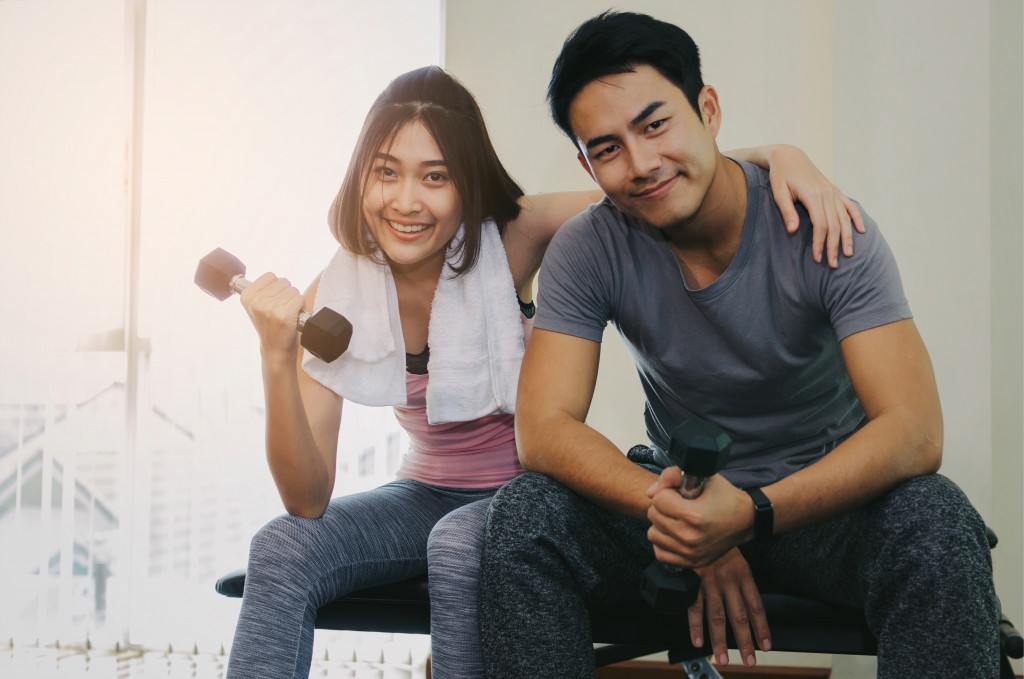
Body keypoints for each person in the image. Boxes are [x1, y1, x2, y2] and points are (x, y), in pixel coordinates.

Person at [223, 64, 861, 679]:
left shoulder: (512, 237)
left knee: (456, 546)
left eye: (435, 176)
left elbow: (651, 184)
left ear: (467, 184)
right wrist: (276, 357)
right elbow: (307, 500)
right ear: (360, 178)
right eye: (385, 173)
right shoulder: (334, 295)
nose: (406, 201)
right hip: (423, 493)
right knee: (282, 546)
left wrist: (783, 155)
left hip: (529, 495)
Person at [477, 12, 1000, 679]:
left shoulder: (828, 228)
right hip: (678, 500)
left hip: (821, 506)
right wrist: (686, 517)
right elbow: (543, 429)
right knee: (526, 518)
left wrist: (748, 515)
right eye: (607, 148)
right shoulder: (589, 246)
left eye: (656, 124)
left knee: (936, 519)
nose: (641, 163)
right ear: (586, 162)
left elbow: (914, 431)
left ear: (709, 108)